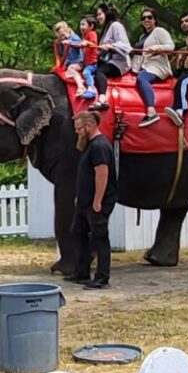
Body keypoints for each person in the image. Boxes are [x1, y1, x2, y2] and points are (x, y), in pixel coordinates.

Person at [70, 107, 117, 287]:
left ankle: (102, 276)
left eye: (78, 128)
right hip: (85, 201)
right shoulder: (89, 144)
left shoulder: (100, 146)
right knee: (78, 233)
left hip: (97, 202)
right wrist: (80, 197)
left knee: (100, 238)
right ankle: (81, 272)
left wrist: (98, 200)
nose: (77, 131)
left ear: (89, 126)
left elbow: (102, 174)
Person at [132, 7, 174, 127]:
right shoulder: (142, 37)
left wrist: (157, 48)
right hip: (144, 65)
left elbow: (171, 47)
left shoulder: (159, 31)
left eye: (149, 17)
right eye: (143, 18)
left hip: (157, 65)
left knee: (142, 79)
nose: (146, 20)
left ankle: (151, 111)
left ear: (155, 19)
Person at [94, 2, 131, 92]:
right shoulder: (107, 28)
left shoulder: (116, 25)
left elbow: (125, 46)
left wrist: (111, 46)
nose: (97, 17)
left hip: (119, 62)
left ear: (107, 13)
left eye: (99, 14)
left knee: (100, 71)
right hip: (108, 60)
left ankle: (103, 98)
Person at [80, 16, 99, 91]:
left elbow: (94, 44)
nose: (81, 27)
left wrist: (87, 42)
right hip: (86, 63)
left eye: (83, 24)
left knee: (86, 73)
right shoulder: (84, 36)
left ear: (91, 26)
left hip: (92, 63)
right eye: (80, 25)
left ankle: (91, 88)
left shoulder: (92, 33)